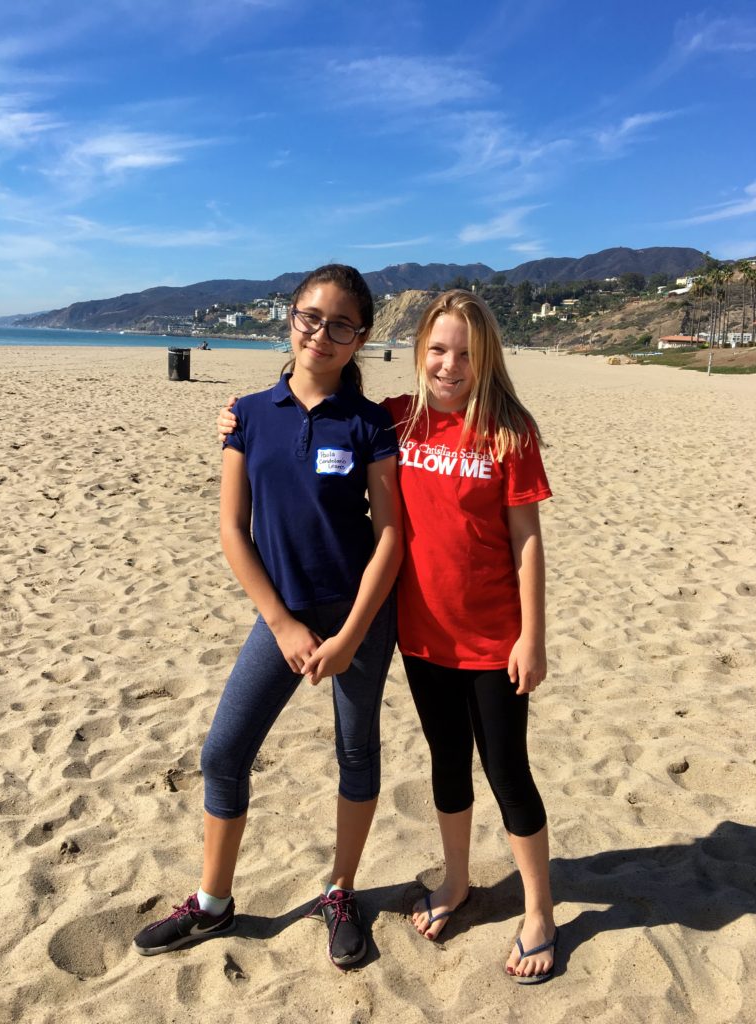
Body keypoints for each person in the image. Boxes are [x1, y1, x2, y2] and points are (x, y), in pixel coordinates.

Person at [217, 288, 557, 983]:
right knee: (446, 764)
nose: (449, 364)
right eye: (436, 349)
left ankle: (539, 911)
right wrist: (237, 415)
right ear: (416, 353)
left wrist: (533, 636)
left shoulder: (507, 430)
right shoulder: (401, 420)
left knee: (508, 773)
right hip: (423, 635)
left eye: (464, 352)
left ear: (485, 356)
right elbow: (333, 416)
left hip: (494, 639)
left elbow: (528, 543)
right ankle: (457, 881)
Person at [134, 264, 403, 969]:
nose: (322, 332)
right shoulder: (249, 415)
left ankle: (341, 893)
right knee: (223, 753)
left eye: (341, 324)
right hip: (281, 612)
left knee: (356, 752)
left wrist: (347, 638)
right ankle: (214, 905)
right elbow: (232, 528)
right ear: (290, 319)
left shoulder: (371, 422)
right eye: (311, 317)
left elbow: (392, 536)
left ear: (360, 338)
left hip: (359, 618)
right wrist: (282, 624)